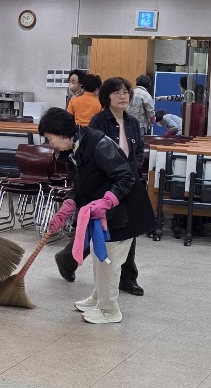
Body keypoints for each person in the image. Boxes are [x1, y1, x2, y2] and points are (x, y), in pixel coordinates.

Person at [38, 107, 138, 324]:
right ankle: (98, 298)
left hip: (122, 211)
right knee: (98, 256)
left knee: (109, 261)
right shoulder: (72, 151)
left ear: (64, 133)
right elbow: (82, 185)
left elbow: (126, 177)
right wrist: (69, 205)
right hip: (101, 214)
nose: (50, 143)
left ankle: (109, 310)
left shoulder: (98, 144)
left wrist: (108, 200)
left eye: (50, 138)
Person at [61, 77, 154, 295]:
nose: (123, 97)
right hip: (105, 184)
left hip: (127, 181)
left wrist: (130, 172)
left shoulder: (133, 122)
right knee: (101, 231)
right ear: (106, 97)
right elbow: (92, 155)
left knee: (128, 230)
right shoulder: (99, 122)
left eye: (126, 92)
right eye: (117, 93)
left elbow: (138, 152)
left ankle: (127, 278)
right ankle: (67, 259)